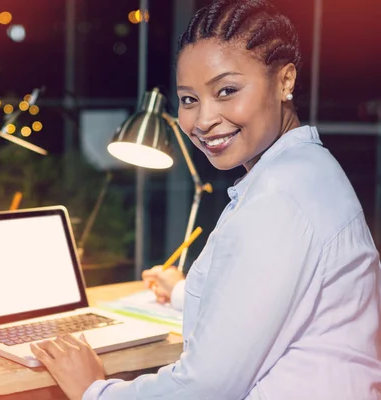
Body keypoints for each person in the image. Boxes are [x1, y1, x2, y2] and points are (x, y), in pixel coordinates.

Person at [29, 0, 381, 398]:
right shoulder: (308, 170)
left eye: (227, 91)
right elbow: (276, 304)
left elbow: (207, 389)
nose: (203, 120)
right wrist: (183, 291)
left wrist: (94, 389)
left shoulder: (278, 199)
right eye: (189, 99)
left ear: (285, 81)